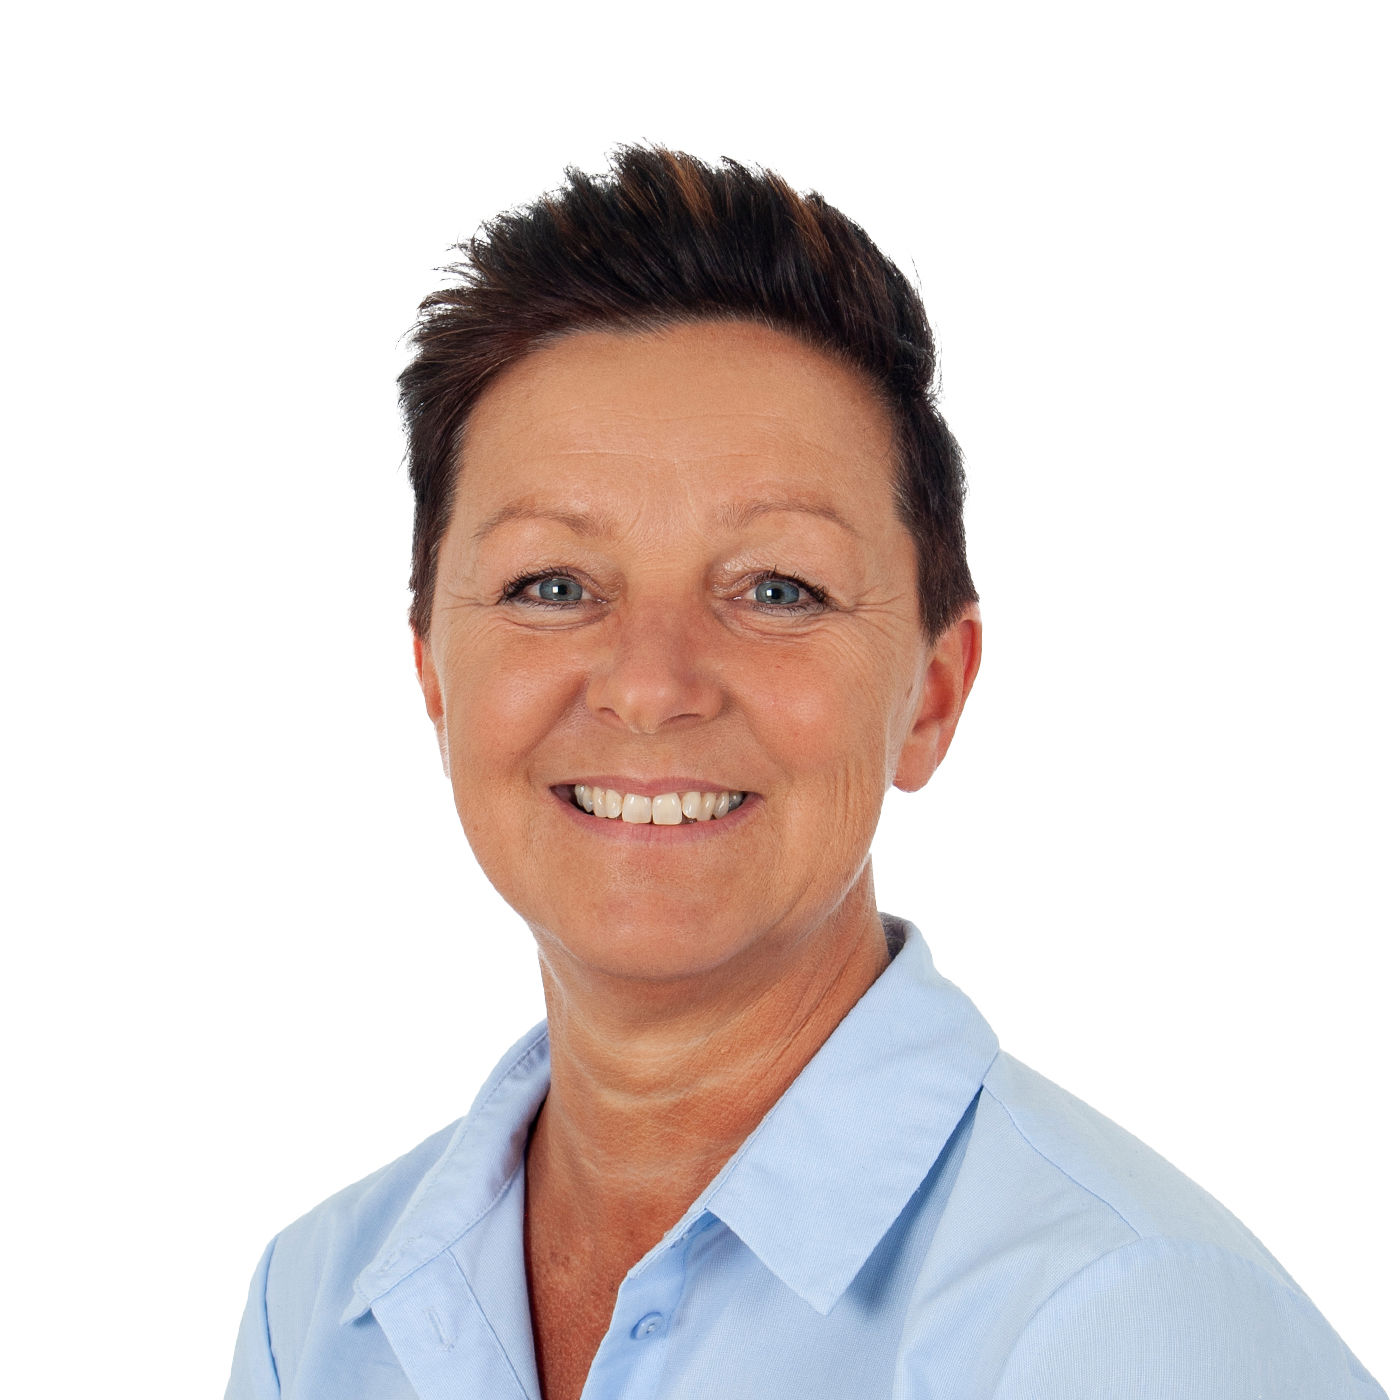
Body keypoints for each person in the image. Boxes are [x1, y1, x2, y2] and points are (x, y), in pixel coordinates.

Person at [225, 147, 1386, 1400]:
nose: (650, 684)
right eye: (549, 585)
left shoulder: (1115, 1323)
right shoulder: (317, 1309)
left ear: (930, 693)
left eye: (776, 589)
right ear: (434, 677)